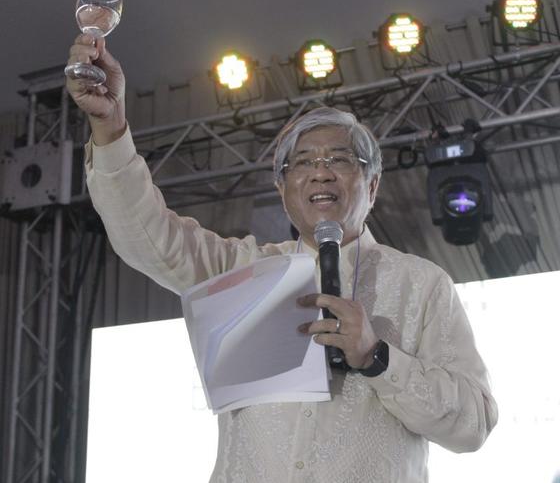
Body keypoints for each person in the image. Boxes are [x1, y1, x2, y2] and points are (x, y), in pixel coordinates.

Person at [67, 34, 498, 483]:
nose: (321, 172)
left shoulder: (422, 284)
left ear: (372, 186)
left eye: (340, 159)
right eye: (304, 162)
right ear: (282, 188)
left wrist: (376, 356)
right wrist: (110, 127)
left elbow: (473, 424)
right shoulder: (242, 271)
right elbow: (146, 234)